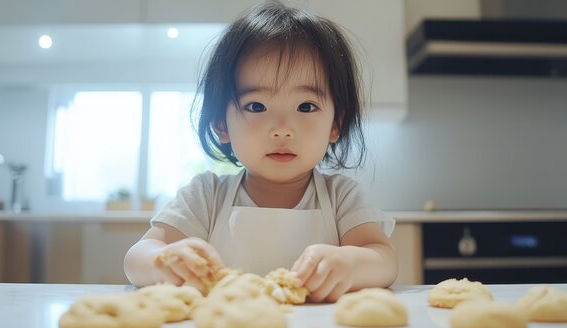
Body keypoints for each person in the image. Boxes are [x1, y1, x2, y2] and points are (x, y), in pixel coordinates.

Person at [124, 0, 398, 302]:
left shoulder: (340, 197)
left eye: (306, 106)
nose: (282, 129)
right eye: (257, 106)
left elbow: (384, 259)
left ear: (335, 124)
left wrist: (352, 264)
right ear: (221, 125)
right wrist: (163, 262)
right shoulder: (206, 196)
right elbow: (136, 258)